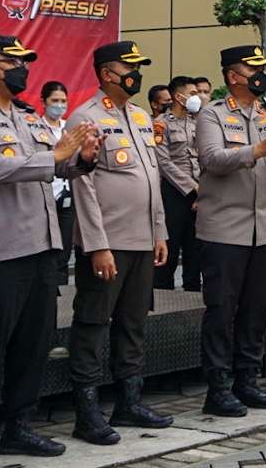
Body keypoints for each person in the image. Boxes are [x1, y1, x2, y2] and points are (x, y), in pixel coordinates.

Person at [0, 36, 98, 468]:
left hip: (41, 247)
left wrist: (82, 159)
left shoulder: (27, 117)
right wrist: (57, 155)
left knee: (33, 345)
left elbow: (56, 168)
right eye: (16, 63)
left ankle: (18, 426)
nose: (23, 70)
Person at [65, 41, 171, 444]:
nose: (136, 74)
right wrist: (97, 244)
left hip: (143, 239)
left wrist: (159, 230)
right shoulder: (86, 118)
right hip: (108, 241)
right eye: (131, 67)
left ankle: (129, 401)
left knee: (133, 323)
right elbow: (83, 183)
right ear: (108, 74)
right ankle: (87, 412)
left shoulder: (141, 116)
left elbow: (152, 177)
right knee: (93, 323)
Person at [194, 44, 266, 415]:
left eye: (264, 68)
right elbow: (211, 160)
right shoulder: (212, 114)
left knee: (257, 307)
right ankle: (218, 387)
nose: (262, 75)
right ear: (233, 76)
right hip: (224, 230)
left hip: (264, 229)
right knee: (222, 311)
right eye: (253, 69)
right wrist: (254, 151)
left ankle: (246, 381)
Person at [154, 76, 202, 292]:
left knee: (195, 250)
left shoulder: (198, 122)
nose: (197, 98)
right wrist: (193, 187)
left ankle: (192, 295)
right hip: (173, 193)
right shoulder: (161, 123)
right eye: (192, 94)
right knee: (169, 248)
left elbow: (205, 156)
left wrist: (202, 191)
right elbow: (163, 162)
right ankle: (163, 295)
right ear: (178, 96)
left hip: (200, 195)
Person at [40, 81, 76, 287]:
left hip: (67, 194)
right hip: (45, 194)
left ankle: (61, 283)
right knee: (47, 248)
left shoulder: (69, 127)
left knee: (64, 246)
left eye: (63, 101)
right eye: (55, 100)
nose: (59, 105)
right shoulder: (35, 125)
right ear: (44, 102)